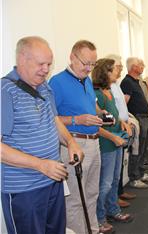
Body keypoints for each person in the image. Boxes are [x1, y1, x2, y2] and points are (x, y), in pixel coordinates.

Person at [1, 36, 84, 234]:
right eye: (41, 64)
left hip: (52, 181)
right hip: (24, 190)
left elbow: (54, 120)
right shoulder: (5, 92)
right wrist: (40, 165)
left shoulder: (44, 87)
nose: (46, 70)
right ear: (22, 59)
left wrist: (70, 142)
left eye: (49, 63)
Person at [49, 40, 106, 234]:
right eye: (85, 63)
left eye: (93, 64)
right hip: (73, 144)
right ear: (72, 57)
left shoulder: (87, 80)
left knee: (91, 194)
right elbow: (51, 119)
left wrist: (99, 114)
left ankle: (93, 230)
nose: (89, 68)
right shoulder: (56, 82)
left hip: (93, 143)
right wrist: (77, 119)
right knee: (74, 199)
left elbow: (91, 105)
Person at [92, 58, 134, 231]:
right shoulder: (97, 94)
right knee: (105, 183)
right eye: (114, 69)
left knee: (115, 179)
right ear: (105, 72)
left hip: (117, 139)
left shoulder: (109, 90)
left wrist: (122, 123)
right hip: (106, 143)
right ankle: (100, 218)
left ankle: (113, 210)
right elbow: (97, 124)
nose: (118, 71)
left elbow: (112, 116)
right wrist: (114, 136)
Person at [120, 57, 148, 189]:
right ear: (133, 67)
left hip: (144, 117)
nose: (143, 66)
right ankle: (134, 178)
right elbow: (124, 103)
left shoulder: (137, 81)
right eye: (141, 65)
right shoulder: (127, 82)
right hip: (137, 119)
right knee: (137, 149)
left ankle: (141, 173)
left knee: (143, 148)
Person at [106, 54, 137, 206]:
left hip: (122, 126)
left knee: (119, 166)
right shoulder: (107, 88)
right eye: (118, 67)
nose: (120, 70)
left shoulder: (116, 84)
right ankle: (114, 198)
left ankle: (119, 193)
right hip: (114, 129)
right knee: (112, 170)